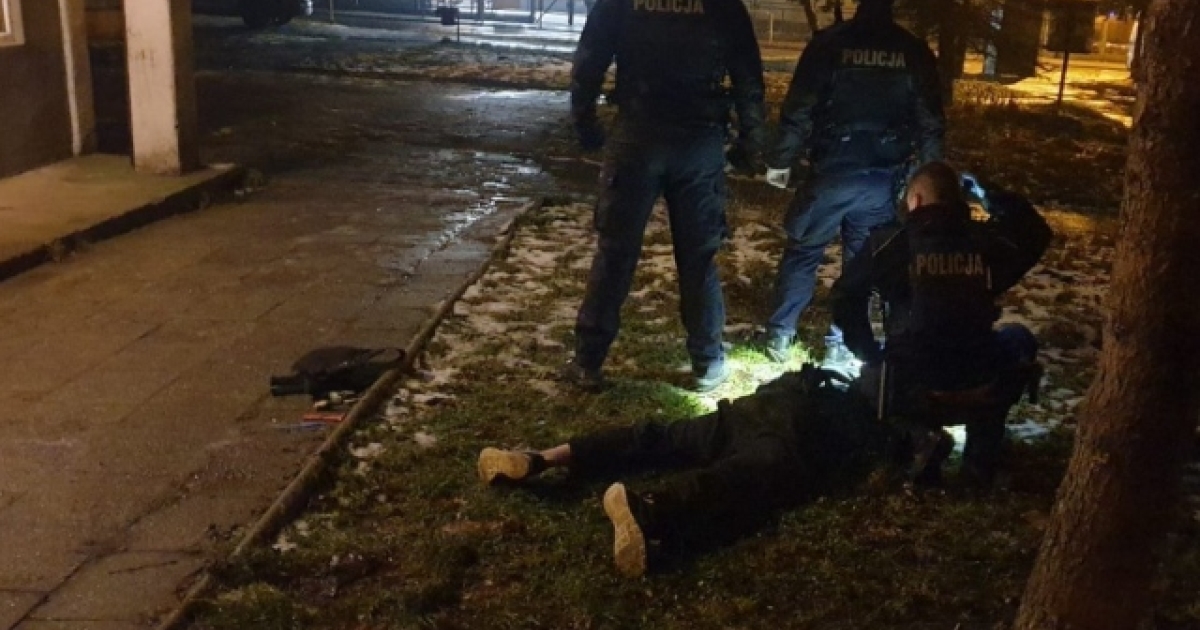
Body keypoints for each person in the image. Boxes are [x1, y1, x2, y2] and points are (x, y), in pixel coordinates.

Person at [478, 363, 910, 578]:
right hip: (793, 435)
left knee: (660, 437)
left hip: (755, 410)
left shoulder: (832, 379)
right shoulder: (872, 420)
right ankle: (651, 510)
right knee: (741, 477)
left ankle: (542, 457)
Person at [562, 0, 768, 393]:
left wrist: (585, 124)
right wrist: (750, 143)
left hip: (637, 134)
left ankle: (588, 360)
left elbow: (590, 59)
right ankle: (708, 362)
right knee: (698, 257)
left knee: (615, 252)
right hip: (698, 138)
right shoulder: (722, 5)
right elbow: (748, 76)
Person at [831, 160, 1054, 485]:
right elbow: (1035, 231)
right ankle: (980, 459)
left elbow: (844, 297)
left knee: (869, 379)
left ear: (916, 199)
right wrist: (989, 194)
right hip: (980, 380)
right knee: (1018, 338)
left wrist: (869, 352)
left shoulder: (890, 245)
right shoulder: (987, 242)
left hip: (912, 383)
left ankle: (918, 440)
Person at [759, 0, 945, 367]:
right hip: (882, 178)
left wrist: (780, 160)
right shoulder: (912, 50)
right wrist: (932, 179)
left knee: (804, 250)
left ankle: (780, 335)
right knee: (862, 263)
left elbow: (799, 107)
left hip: (832, 171)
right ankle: (843, 343)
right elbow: (930, 121)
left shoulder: (829, 44)